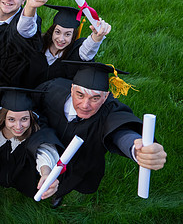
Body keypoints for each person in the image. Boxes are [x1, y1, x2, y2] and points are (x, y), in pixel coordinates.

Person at [34, 61, 167, 207]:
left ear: (105, 97)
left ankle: (59, 195)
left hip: (81, 159)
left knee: (72, 179)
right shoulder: (52, 91)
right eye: (80, 95)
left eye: (95, 98)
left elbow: (119, 131)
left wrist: (137, 150)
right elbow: (32, 107)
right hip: (49, 146)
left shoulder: (108, 110)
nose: (85, 105)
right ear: (72, 89)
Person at [0, 87, 64, 200]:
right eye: (11, 119)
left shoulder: (36, 131)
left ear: (31, 117)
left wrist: (46, 172)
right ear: (3, 118)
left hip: (21, 173)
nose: (18, 127)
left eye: (24, 119)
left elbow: (43, 151)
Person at [21, 5, 111, 88]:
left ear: (73, 36)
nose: (61, 39)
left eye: (67, 34)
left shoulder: (76, 52)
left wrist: (97, 35)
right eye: (57, 32)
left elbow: (88, 49)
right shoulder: (38, 43)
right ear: (52, 31)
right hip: (27, 93)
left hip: (55, 99)